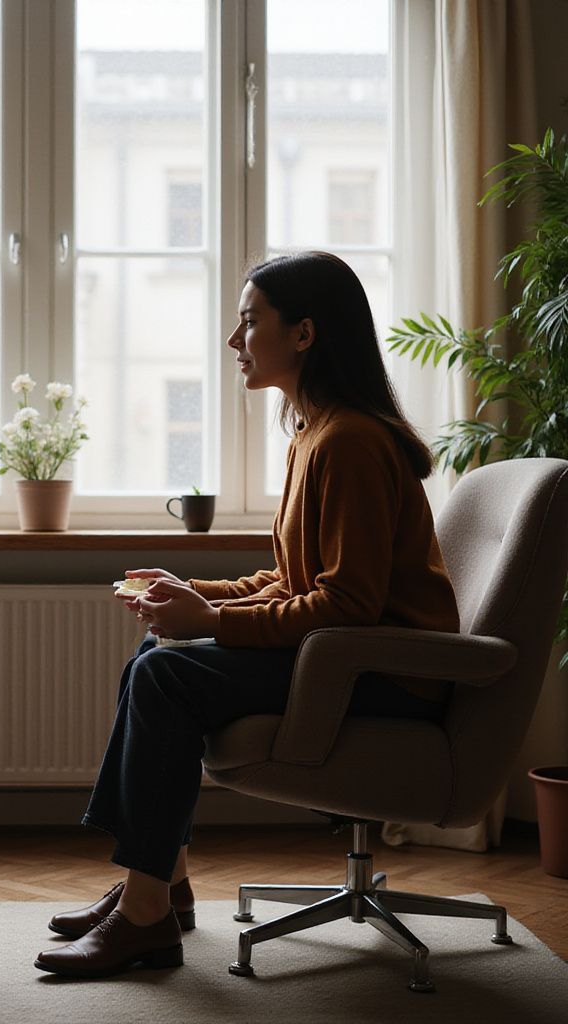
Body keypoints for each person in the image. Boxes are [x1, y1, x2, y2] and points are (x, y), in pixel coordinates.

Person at [35, 251, 460, 978]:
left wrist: (213, 622)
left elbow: (348, 605)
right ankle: (162, 885)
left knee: (167, 677)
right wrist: (195, 593)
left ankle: (146, 915)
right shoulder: (315, 433)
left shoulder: (351, 442)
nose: (235, 342)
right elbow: (295, 580)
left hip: (387, 669)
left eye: (248, 322)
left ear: (303, 334)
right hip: (347, 653)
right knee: (154, 661)